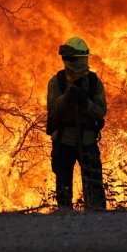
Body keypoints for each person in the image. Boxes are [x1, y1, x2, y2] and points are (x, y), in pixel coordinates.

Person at [46, 36, 107, 211]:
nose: (79, 63)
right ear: (67, 60)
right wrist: (67, 97)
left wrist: (86, 103)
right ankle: (65, 217)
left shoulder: (94, 82)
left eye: (82, 58)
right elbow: (54, 110)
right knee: (63, 186)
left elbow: (101, 110)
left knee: (94, 183)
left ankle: (97, 216)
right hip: (64, 141)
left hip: (87, 141)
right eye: (76, 59)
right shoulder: (57, 82)